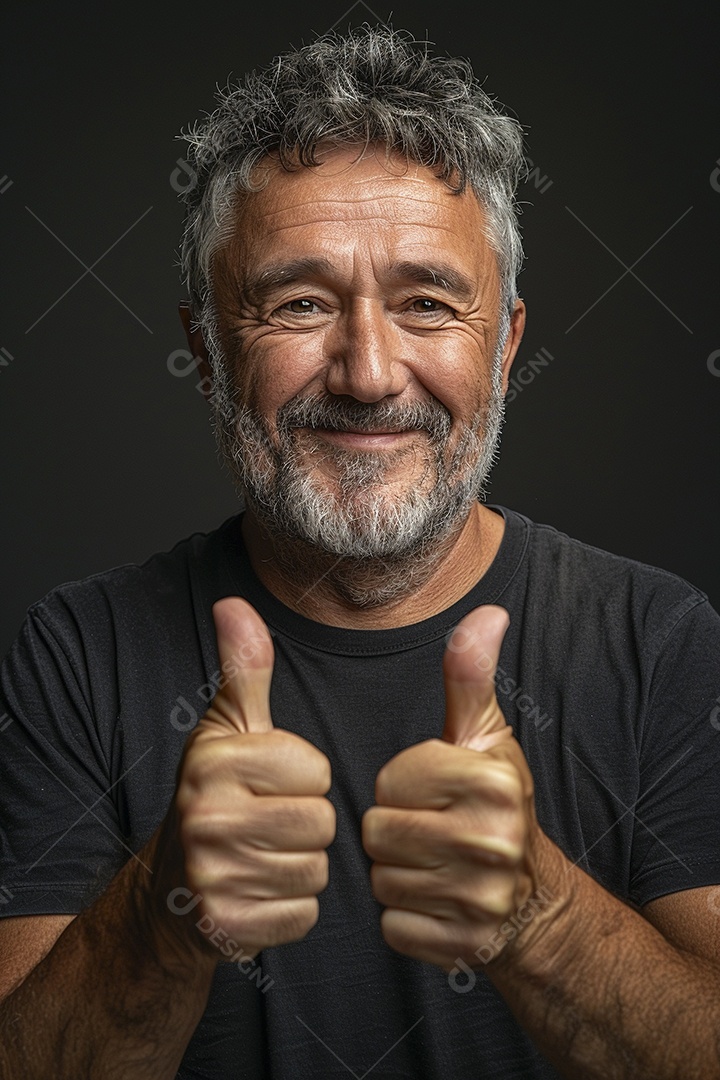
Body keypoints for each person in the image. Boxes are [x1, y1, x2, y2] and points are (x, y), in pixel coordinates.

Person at [0, 24, 719, 1080]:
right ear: (205, 347)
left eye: (428, 304)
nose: (370, 373)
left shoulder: (662, 646)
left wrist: (544, 920)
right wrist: (166, 913)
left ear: (508, 346)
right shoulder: (78, 653)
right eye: (298, 304)